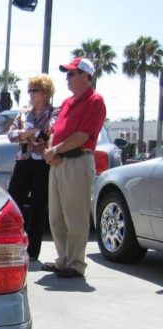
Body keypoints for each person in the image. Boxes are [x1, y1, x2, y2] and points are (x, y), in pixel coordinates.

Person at [42, 57, 106, 278]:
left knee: (75, 216)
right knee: (56, 216)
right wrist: (52, 152)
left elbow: (82, 136)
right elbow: (54, 131)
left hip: (78, 162)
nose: (67, 78)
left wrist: (55, 150)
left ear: (86, 76)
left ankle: (76, 264)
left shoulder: (95, 101)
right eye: (67, 74)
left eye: (71, 73)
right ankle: (63, 260)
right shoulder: (68, 102)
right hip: (59, 163)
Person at [6, 75, 57, 261]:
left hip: (42, 163)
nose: (31, 94)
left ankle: (32, 251)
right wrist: (30, 134)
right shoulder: (23, 113)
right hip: (23, 160)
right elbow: (11, 135)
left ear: (45, 93)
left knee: (39, 205)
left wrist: (32, 134)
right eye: (30, 90)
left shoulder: (54, 113)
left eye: (35, 90)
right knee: (13, 201)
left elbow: (48, 134)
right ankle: (12, 244)